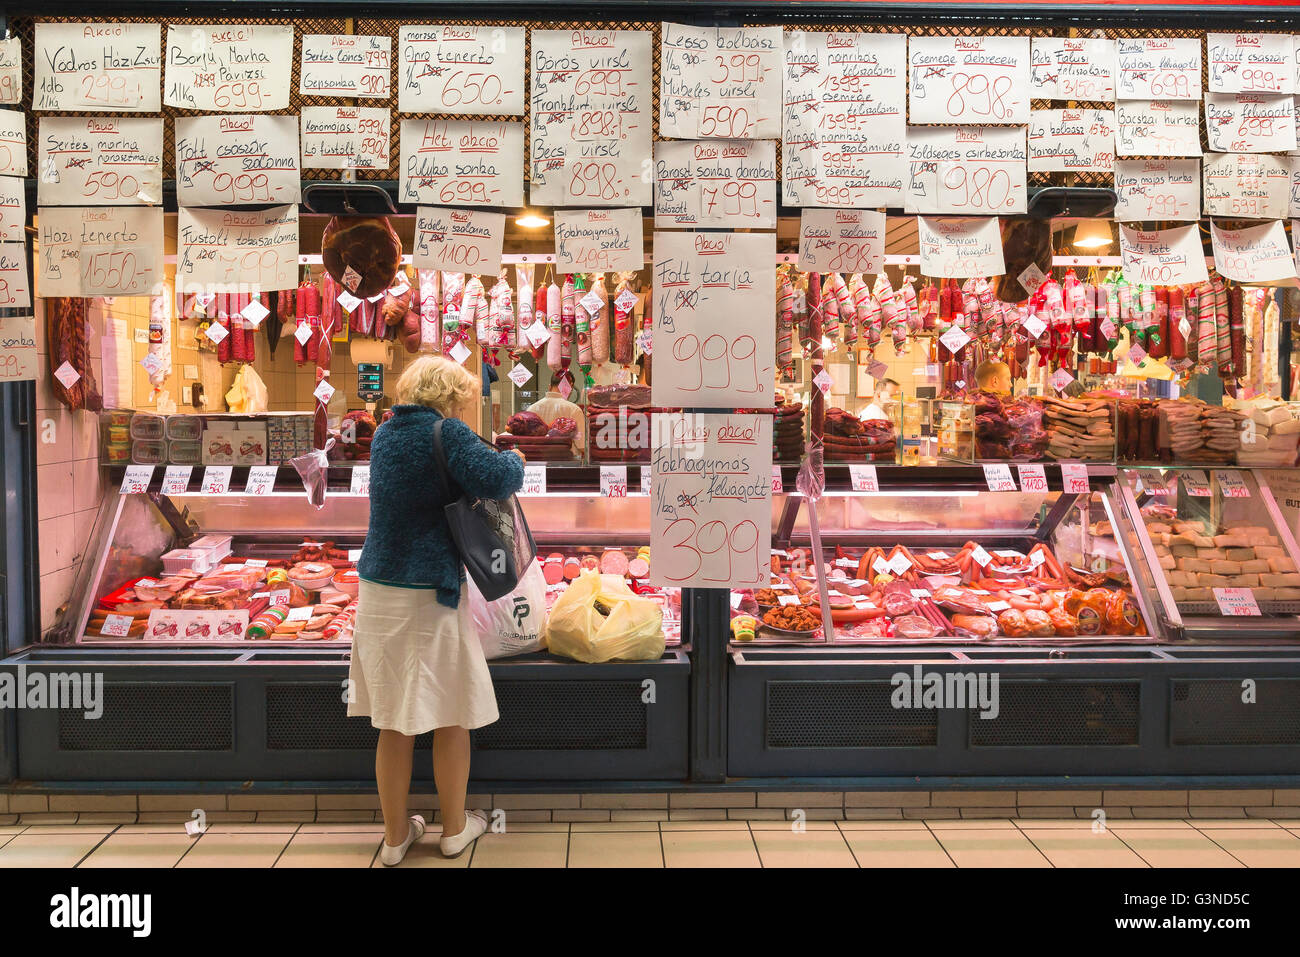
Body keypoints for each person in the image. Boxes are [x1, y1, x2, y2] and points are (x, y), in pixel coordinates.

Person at [350, 355, 525, 865]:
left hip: (379, 589)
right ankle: (453, 830)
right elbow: (499, 479)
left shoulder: (384, 434)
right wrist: (511, 455)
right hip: (430, 591)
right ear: (447, 397)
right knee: (451, 711)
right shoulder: (446, 433)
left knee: (393, 719)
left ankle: (395, 836)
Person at [527, 384, 586, 452]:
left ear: (549, 386)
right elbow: (581, 445)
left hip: (538, 458)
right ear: (570, 389)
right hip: (567, 459)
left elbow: (528, 441)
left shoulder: (531, 408)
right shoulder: (574, 409)